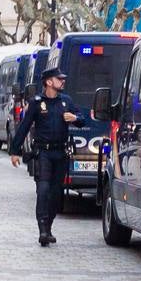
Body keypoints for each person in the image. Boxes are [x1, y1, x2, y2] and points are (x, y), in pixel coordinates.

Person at [10, 68, 86, 246]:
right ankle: (42, 230)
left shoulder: (66, 101)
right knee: (43, 191)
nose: (62, 81)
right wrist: (14, 151)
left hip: (60, 153)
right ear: (48, 82)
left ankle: (49, 226)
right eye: (59, 79)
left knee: (56, 194)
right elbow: (24, 126)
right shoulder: (36, 102)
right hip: (42, 153)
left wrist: (74, 117)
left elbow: (82, 119)